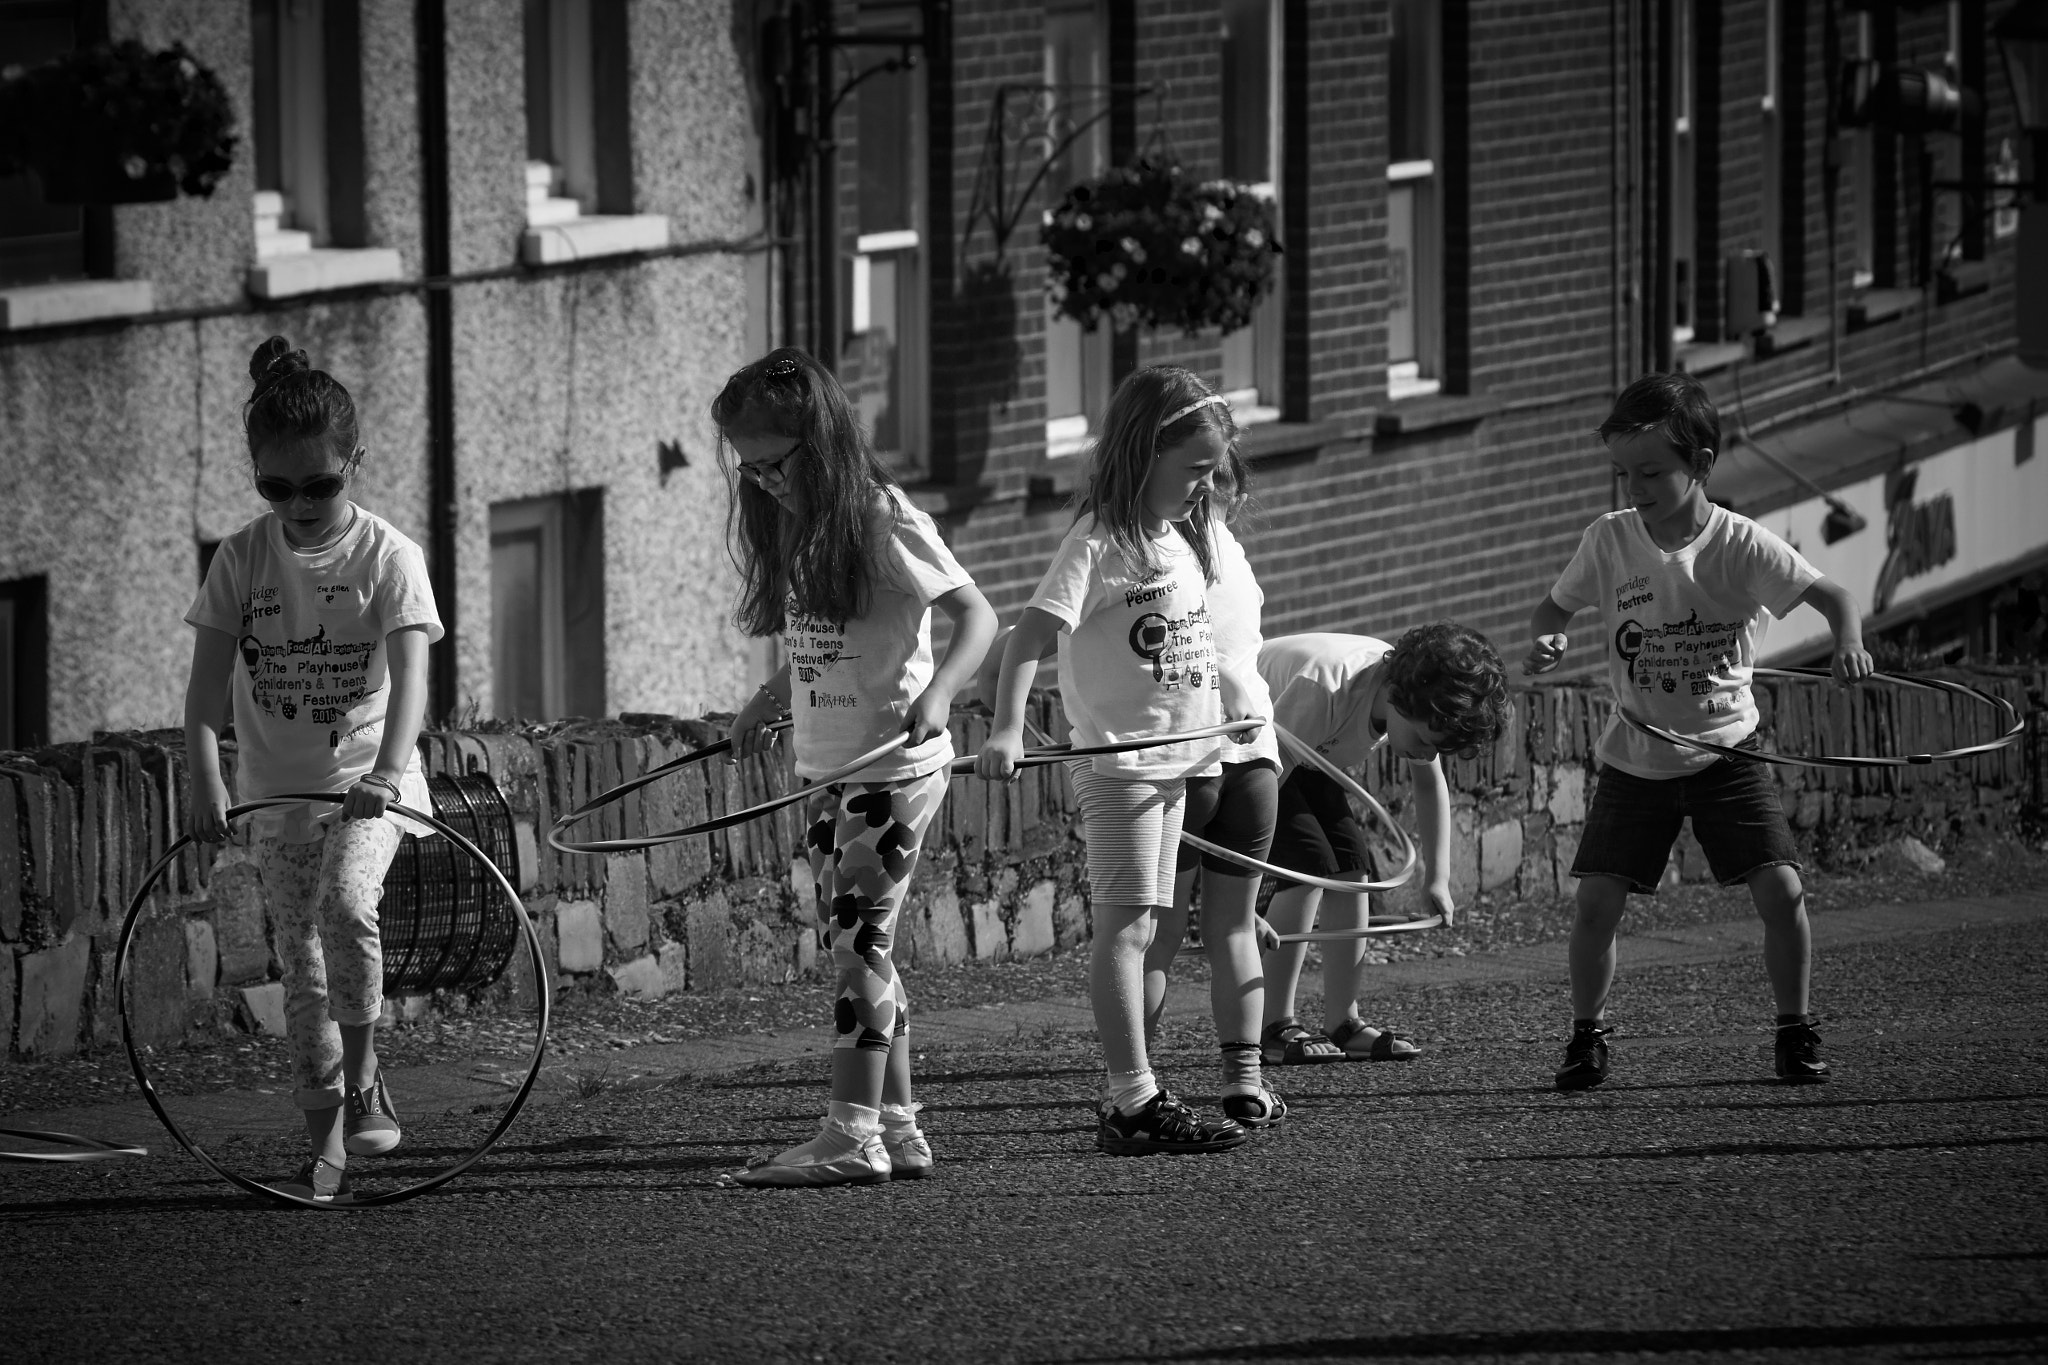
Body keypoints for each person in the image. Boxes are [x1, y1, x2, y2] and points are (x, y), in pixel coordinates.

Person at [1524, 371, 1871, 1090]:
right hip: (1636, 757)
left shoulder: (1742, 545)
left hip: (1727, 752)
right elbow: (1552, 611)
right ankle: (1587, 1035)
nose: (1634, 488)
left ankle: (1795, 1029)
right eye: (1623, 473)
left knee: (1783, 891)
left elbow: (1835, 597)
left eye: (1651, 472)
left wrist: (1847, 641)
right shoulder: (1610, 540)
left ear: (1703, 464)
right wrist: (1549, 639)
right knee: (1596, 902)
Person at [718, 348, 996, 1187]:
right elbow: (827, 639)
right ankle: (899, 1127)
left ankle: (851, 1134)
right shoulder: (804, 522)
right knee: (860, 944)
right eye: (749, 468)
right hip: (827, 765)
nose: (763, 482)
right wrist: (773, 693)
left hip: (894, 765)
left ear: (822, 442)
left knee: (858, 946)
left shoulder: (884, 518)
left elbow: (976, 616)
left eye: (774, 462)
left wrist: (943, 691)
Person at [183, 336, 442, 1203]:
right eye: (276, 487)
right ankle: (325, 1149)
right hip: (275, 796)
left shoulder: (388, 556)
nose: (299, 503)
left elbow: (413, 678)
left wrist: (390, 770)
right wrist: (209, 778)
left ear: (354, 463)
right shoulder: (241, 558)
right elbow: (203, 693)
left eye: (320, 484)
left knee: (342, 903)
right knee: (300, 963)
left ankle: (367, 1078)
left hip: (371, 782)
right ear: (256, 475)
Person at [978, 366, 1258, 1157]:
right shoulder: (1100, 540)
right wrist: (1006, 729)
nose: (1206, 485)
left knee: (1147, 926)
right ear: (1145, 451)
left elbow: (1182, 656)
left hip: (1175, 765)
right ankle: (1132, 1099)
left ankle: (1132, 1091)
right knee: (1126, 929)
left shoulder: (1177, 536)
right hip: (1120, 771)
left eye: (1212, 470)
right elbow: (1027, 637)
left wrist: (1224, 712)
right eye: (1195, 468)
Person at [1256, 624, 1508, 1065]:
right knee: (1309, 864)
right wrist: (1241, 895)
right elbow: (1262, 780)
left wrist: (1439, 879)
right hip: (1255, 748)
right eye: (1426, 742)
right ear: (1399, 699)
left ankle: (1343, 1020)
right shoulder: (1326, 686)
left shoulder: (1409, 694)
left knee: (1352, 866)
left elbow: (1430, 787)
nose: (1425, 753)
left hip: (1304, 751)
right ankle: (1272, 1026)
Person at [1138, 442, 1288, 1127]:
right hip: (1256, 758)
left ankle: (1135, 1083)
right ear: (1238, 496)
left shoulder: (1154, 549)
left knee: (1159, 934)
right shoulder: (1237, 558)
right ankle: (1245, 1081)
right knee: (1233, 929)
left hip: (1192, 756)